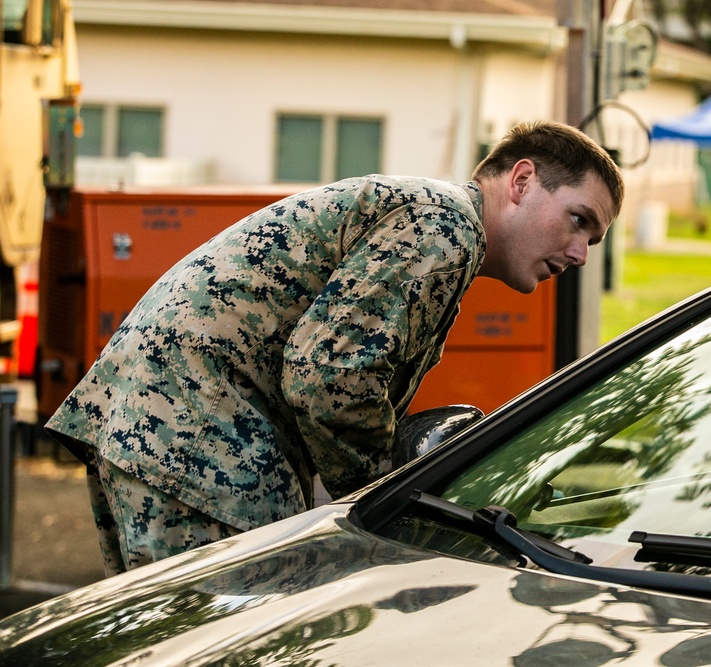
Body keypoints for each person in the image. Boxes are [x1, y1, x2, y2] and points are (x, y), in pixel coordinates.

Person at [45, 120, 624, 576]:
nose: (580, 255)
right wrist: (385, 500)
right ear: (522, 181)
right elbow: (331, 376)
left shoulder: (435, 222)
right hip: (199, 436)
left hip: (155, 423)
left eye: (592, 240)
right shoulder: (443, 227)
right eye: (579, 221)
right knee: (232, 642)